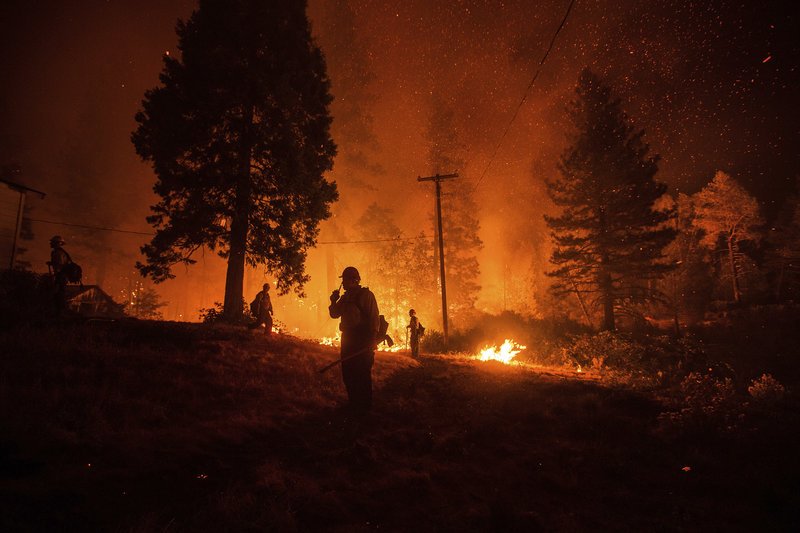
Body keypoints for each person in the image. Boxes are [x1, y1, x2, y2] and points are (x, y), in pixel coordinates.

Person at [328, 266, 379, 413]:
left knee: (362, 373)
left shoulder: (366, 295)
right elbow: (334, 314)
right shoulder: (345, 297)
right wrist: (333, 301)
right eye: (342, 279)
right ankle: (353, 404)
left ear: (354, 280)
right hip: (348, 338)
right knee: (348, 372)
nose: (343, 283)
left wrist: (372, 340)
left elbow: (374, 318)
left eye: (345, 279)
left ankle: (365, 407)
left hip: (362, 339)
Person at [46, 235, 71, 315]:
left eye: (52, 242)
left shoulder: (59, 253)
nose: (51, 243)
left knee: (59, 293)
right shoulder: (57, 252)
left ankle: (60, 312)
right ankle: (58, 311)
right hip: (60, 276)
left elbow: (60, 265)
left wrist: (52, 264)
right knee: (58, 293)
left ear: (57, 243)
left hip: (61, 276)